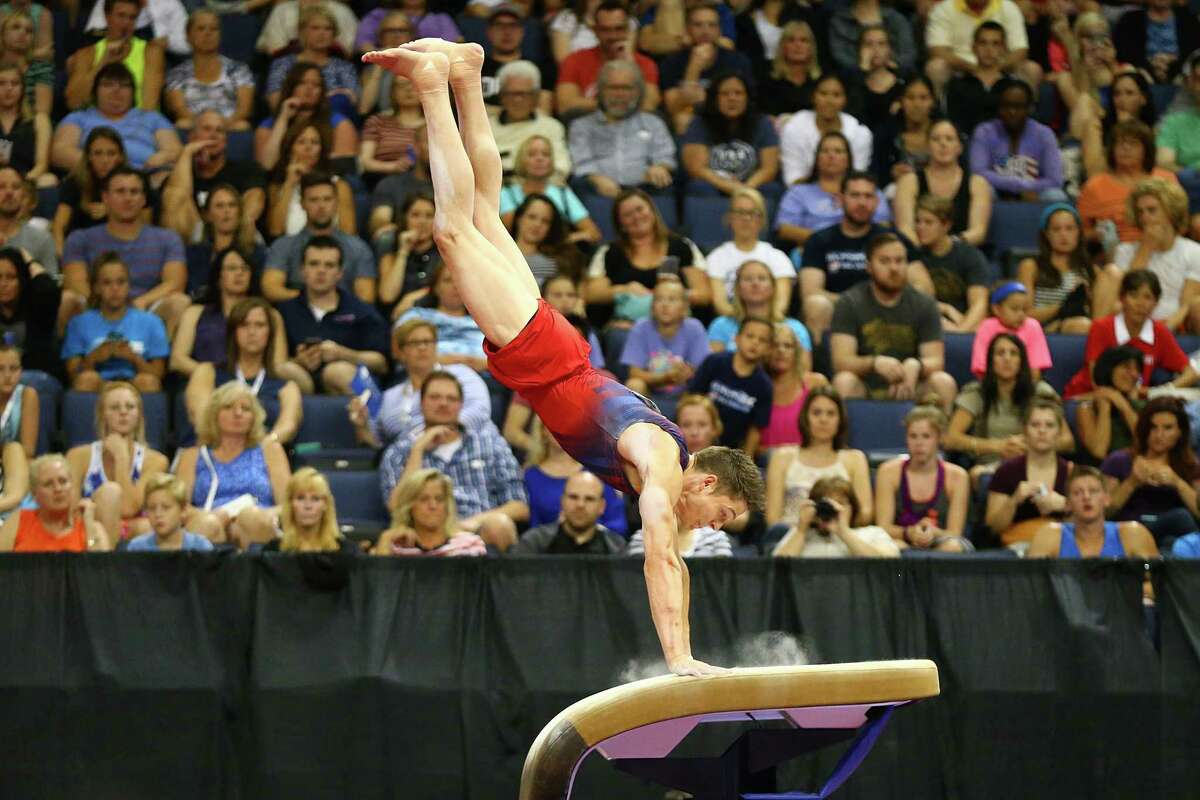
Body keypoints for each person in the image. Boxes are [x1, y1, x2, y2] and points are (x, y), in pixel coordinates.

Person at [365, 39, 765, 675]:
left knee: (482, 214)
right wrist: (681, 658)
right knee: (453, 229)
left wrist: (690, 653)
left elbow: (678, 561)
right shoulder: (663, 469)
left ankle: (468, 77)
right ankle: (434, 83)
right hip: (544, 352)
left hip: (556, 351)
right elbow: (661, 559)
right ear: (707, 482)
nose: (715, 526)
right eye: (722, 516)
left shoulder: (666, 466)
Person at [379, 370, 528, 550]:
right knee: (391, 538)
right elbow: (396, 507)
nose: (443, 403)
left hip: (477, 530)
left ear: (461, 405)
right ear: (422, 403)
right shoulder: (400, 450)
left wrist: (471, 522)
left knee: (500, 525)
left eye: (451, 399)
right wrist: (418, 449)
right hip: (421, 535)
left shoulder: (490, 443)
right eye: (435, 397)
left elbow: (520, 506)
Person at [830, 233, 956, 410]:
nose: (894, 268)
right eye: (885, 261)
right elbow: (841, 361)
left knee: (943, 382)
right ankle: (843, 439)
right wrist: (874, 363)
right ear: (869, 267)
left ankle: (944, 438)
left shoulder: (924, 303)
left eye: (899, 261)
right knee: (843, 381)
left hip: (911, 386)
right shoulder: (849, 302)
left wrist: (916, 366)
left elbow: (936, 360)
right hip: (866, 386)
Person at [61, 166, 189, 336]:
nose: (128, 198)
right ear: (105, 197)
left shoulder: (168, 239)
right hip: (95, 308)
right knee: (67, 299)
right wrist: (108, 304)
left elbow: (175, 282)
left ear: (144, 199)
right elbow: (75, 282)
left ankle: (161, 360)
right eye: (120, 192)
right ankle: (73, 360)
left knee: (179, 302)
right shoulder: (80, 238)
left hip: (146, 309)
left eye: (134, 192)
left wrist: (139, 303)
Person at [174, 381, 291, 546]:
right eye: (229, 407)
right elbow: (179, 507)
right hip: (210, 521)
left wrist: (245, 515)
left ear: (254, 417)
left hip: (257, 522)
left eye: (246, 409)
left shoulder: (270, 450)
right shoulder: (192, 455)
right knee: (207, 525)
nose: (238, 413)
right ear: (214, 414)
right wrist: (218, 517)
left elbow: (287, 505)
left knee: (250, 518)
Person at [798, 171, 908, 344]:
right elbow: (810, 292)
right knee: (815, 304)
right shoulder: (819, 240)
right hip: (839, 311)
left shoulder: (894, 239)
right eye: (855, 195)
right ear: (840, 199)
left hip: (887, 309)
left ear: (877, 202)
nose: (862, 203)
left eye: (868, 196)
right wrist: (859, 304)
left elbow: (922, 285)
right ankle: (818, 368)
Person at [348, 317, 492, 449]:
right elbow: (380, 443)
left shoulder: (462, 375)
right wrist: (362, 426)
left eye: (428, 342)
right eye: (415, 343)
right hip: (409, 462)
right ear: (400, 352)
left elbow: (479, 411)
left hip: (467, 450)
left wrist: (436, 435)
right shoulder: (390, 397)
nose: (422, 347)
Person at [946, 332, 1068, 485]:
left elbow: (1067, 440)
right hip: (991, 465)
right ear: (991, 360)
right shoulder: (977, 393)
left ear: (1022, 361)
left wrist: (1033, 446)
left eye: (1013, 353)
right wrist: (998, 446)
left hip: (1036, 463)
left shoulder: (1040, 392)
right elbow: (950, 438)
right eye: (1000, 353)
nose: (1007, 358)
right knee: (979, 475)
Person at [276, 236, 389, 395]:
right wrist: (299, 361)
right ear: (302, 270)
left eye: (329, 265)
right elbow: (274, 362)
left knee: (337, 371)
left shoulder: (361, 311)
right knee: (288, 369)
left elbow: (381, 363)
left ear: (339, 273)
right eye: (314, 264)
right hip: (301, 385)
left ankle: (376, 417)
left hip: (346, 383)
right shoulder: (284, 311)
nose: (321, 271)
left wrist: (343, 354)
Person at [184, 297, 303, 446]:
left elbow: (288, 426)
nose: (252, 332)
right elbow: (201, 417)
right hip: (210, 453)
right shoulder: (207, 372)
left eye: (259, 325)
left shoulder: (286, 387)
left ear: (270, 334)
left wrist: (261, 447)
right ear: (233, 332)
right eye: (244, 325)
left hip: (263, 458)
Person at [1064, 271, 1197, 399]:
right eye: (1134, 295)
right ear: (1122, 298)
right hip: (1087, 397)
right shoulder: (1102, 327)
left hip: (1132, 401)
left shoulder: (1159, 332)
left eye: (1147, 297)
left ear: (1156, 303)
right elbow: (1096, 380)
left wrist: (1161, 391)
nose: (1140, 303)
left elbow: (1191, 373)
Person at [65, 381, 168, 543]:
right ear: (103, 414)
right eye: (114, 408)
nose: (123, 412)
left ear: (139, 415)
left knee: (145, 527)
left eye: (130, 407)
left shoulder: (155, 461)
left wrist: (121, 458)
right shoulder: (79, 456)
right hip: (89, 530)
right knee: (110, 493)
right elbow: (71, 512)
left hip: (133, 532)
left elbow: (127, 508)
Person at [585, 189, 709, 323]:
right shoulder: (609, 252)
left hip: (675, 323)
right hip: (627, 325)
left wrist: (671, 295)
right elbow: (592, 294)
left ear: (652, 211)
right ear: (620, 225)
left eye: (640, 209)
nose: (637, 217)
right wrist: (624, 289)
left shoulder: (682, 246)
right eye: (628, 214)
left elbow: (704, 294)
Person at [764, 386, 874, 532]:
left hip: (841, 536)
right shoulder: (782, 457)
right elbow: (772, 518)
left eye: (831, 413)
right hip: (791, 538)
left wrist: (837, 525)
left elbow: (865, 514)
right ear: (805, 417)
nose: (823, 419)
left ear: (840, 420)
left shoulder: (855, 459)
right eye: (816, 413)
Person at [61, 253, 169, 393]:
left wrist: (134, 358)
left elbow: (158, 375)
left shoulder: (152, 322)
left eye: (121, 282)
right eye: (107, 283)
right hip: (98, 385)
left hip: (134, 385)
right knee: (86, 380)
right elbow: (72, 375)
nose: (115, 289)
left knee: (147, 382)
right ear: (96, 288)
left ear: (128, 286)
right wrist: (94, 358)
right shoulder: (79, 323)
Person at [568, 61, 676, 199]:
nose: (619, 94)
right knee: (580, 184)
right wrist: (596, 178)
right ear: (600, 90)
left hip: (645, 190)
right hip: (597, 190)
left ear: (638, 91)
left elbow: (665, 156)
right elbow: (581, 162)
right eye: (613, 88)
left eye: (626, 88)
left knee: (666, 183)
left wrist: (661, 167)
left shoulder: (654, 123)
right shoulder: (581, 126)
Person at [262, 173, 375, 304]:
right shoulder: (283, 246)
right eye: (314, 200)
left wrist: (332, 303)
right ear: (302, 204)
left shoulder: (358, 248)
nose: (321, 206)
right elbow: (271, 288)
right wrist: (314, 299)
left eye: (327, 199)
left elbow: (366, 297)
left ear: (336, 203)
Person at [1101, 397, 1200, 546]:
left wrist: (1178, 483)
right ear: (1144, 429)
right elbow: (1105, 511)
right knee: (1181, 518)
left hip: (1171, 536)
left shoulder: (1190, 465)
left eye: (1167, 428)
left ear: (1180, 432)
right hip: (1130, 532)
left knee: (1173, 537)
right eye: (1153, 427)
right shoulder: (1119, 460)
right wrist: (1132, 483)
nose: (1159, 435)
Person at [874, 401, 971, 552]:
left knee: (952, 547)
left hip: (942, 541)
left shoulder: (958, 476)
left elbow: (954, 532)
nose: (919, 443)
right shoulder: (888, 472)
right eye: (913, 436)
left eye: (926, 436)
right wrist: (909, 532)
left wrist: (933, 532)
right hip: (903, 540)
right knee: (894, 548)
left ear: (939, 438)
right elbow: (883, 527)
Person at [52, 63, 180, 176]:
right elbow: (60, 152)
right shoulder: (78, 118)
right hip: (94, 177)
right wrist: (103, 164)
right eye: (108, 85)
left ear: (133, 92)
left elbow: (174, 150)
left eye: (124, 85)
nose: (116, 90)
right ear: (95, 91)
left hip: (146, 176)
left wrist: (159, 158)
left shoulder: (152, 117)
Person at [159, 112, 266, 246]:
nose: (213, 135)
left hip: (237, 239)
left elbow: (253, 204)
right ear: (192, 137)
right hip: (194, 244)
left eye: (219, 131)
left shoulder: (247, 170)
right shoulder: (179, 176)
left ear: (225, 141)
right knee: (173, 196)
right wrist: (187, 152)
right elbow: (174, 201)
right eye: (206, 129)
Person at [775, 132, 891, 252]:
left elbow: (883, 225)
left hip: (865, 250)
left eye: (838, 151)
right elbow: (784, 229)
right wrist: (827, 241)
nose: (831, 156)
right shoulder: (798, 192)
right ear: (817, 158)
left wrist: (852, 241)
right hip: (814, 249)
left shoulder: (868, 190)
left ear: (848, 159)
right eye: (825, 151)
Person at [1019, 203, 1120, 336]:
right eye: (1056, 229)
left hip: (1086, 322)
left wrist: (1090, 302)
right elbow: (1024, 314)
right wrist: (1063, 307)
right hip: (1047, 327)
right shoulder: (1031, 266)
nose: (1063, 235)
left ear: (1078, 232)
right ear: (1046, 234)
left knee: (1113, 272)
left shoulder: (1091, 270)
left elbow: (1112, 307)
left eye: (1069, 228)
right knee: (1083, 325)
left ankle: (1097, 337)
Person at [1113, 178, 1200, 332]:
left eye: (1151, 210)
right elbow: (1124, 295)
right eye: (1140, 212)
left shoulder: (1194, 251)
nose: (1144, 217)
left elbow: (1187, 303)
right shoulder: (1125, 251)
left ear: (1171, 212)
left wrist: (1163, 331)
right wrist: (1145, 249)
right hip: (1131, 323)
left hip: (1175, 325)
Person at [985, 398, 1073, 546]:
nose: (1042, 431)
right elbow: (993, 528)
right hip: (1017, 547)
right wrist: (1013, 501)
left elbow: (1087, 527)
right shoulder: (1006, 471)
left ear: (1058, 432)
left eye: (1050, 425)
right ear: (1025, 430)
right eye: (1035, 425)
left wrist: (1065, 505)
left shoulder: (1071, 472)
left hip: (1060, 547)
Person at [1078, 120, 1178, 247]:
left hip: (1164, 248)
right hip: (1116, 254)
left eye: (1133, 143)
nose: (1125, 148)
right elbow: (1079, 233)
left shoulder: (1166, 179)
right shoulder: (1094, 186)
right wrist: (1098, 234)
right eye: (1120, 143)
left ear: (1146, 150)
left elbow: (1181, 223)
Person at [893, 119, 991, 248]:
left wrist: (946, 247)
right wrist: (926, 248)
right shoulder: (909, 181)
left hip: (961, 251)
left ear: (960, 147)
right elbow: (905, 229)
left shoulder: (977, 183)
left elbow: (978, 232)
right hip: (919, 250)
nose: (943, 144)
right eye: (936, 139)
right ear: (927, 146)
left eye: (949, 139)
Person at [680, 71, 778, 198]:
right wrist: (730, 187)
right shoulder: (699, 123)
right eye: (725, 94)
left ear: (747, 98)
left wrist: (746, 189)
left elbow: (769, 169)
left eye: (738, 93)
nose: (732, 98)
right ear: (715, 98)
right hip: (714, 185)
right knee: (699, 187)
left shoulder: (763, 123)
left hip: (750, 185)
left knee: (771, 189)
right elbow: (697, 169)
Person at [660, 4, 755, 135]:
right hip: (693, 118)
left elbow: (745, 102)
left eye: (712, 25)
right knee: (682, 119)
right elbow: (673, 108)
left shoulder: (737, 61)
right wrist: (693, 68)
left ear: (720, 30)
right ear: (687, 29)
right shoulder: (672, 62)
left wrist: (705, 96)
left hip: (729, 117)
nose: (705, 31)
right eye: (698, 25)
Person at [522, 416, 627, 535]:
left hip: (600, 549)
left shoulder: (599, 469)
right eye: (554, 423)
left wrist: (588, 532)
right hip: (551, 549)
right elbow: (533, 529)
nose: (561, 429)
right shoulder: (530, 476)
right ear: (542, 430)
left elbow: (618, 524)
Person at [1027, 465, 1158, 558]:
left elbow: (1156, 583)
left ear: (1106, 499)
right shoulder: (1050, 536)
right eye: (1078, 493)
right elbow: (1032, 588)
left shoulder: (1133, 534)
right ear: (1067, 504)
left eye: (1093, 491)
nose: (1086, 497)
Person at [556, 1, 660, 116]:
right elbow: (565, 105)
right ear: (595, 31)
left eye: (619, 29)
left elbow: (649, 105)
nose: (613, 36)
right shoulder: (574, 61)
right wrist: (615, 105)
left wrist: (631, 67)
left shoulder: (644, 64)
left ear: (628, 30)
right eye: (605, 30)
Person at [687, 316, 773, 453]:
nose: (755, 343)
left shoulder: (764, 386)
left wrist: (747, 461)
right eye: (750, 336)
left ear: (768, 349)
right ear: (737, 338)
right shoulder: (714, 362)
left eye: (762, 340)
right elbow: (689, 399)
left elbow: (755, 430)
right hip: (694, 441)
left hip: (730, 452)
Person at [254, 62, 358, 174]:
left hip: (324, 181)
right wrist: (283, 118)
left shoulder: (340, 124)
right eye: (302, 83)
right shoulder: (268, 126)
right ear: (291, 87)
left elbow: (343, 167)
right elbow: (267, 165)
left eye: (316, 85)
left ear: (322, 92)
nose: (309, 88)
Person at [970, 79, 1064, 202]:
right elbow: (978, 172)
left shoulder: (1044, 134)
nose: (1012, 112)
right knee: (983, 190)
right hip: (997, 191)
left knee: (1055, 195)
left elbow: (1054, 180)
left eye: (1018, 107)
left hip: (1033, 193)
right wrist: (1017, 186)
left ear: (1029, 108)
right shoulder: (984, 131)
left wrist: (1029, 188)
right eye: (1006, 106)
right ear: (999, 107)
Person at [907, 194, 991, 333]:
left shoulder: (970, 256)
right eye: (918, 221)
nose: (920, 227)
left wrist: (960, 332)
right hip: (926, 325)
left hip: (962, 323)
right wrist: (944, 308)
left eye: (928, 222)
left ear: (946, 225)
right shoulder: (912, 256)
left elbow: (979, 304)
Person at [497, 134, 600, 245]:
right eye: (532, 154)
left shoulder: (563, 194)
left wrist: (563, 243)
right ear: (521, 160)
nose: (540, 158)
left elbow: (593, 233)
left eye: (545, 154)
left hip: (554, 257)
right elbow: (508, 233)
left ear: (551, 162)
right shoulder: (506, 194)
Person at [64, 0, 165, 112]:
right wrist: (104, 62)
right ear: (107, 16)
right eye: (121, 16)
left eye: (132, 18)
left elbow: (149, 105)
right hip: (96, 124)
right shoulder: (86, 54)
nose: (126, 23)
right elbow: (73, 102)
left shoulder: (151, 52)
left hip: (138, 123)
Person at [162, 9, 254, 131]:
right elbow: (180, 110)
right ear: (188, 36)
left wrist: (219, 127)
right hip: (194, 127)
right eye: (201, 29)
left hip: (228, 126)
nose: (207, 33)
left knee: (242, 125)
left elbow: (244, 109)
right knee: (182, 124)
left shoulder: (238, 69)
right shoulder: (177, 74)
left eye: (213, 29)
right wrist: (205, 127)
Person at [621, 277, 709, 403]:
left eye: (672, 299)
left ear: (685, 306)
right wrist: (664, 377)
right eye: (659, 299)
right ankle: (641, 420)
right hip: (650, 393)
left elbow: (703, 370)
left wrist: (686, 373)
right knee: (634, 384)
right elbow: (634, 373)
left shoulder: (694, 328)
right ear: (652, 306)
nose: (665, 305)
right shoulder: (641, 327)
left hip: (685, 394)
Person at [709, 187, 794, 317]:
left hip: (770, 323)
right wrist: (746, 323)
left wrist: (761, 325)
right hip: (731, 321)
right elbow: (720, 304)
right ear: (730, 217)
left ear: (762, 220)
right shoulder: (716, 257)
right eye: (740, 212)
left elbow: (780, 305)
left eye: (752, 213)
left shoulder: (777, 257)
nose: (746, 218)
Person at [925, 0, 1036, 98]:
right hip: (958, 70)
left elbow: (1021, 51)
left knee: (1031, 69)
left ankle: (1027, 117)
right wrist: (974, 68)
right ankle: (940, 116)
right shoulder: (943, 9)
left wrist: (994, 69)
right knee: (936, 67)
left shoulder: (1008, 7)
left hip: (1001, 69)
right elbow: (937, 51)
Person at [265, 6, 360, 119]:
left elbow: (354, 100)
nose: (322, 34)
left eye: (328, 29)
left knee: (339, 100)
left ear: (334, 34)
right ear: (302, 32)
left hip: (334, 124)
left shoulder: (343, 66)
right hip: (292, 120)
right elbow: (275, 102)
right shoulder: (283, 64)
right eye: (315, 28)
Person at [0, 453, 107, 551]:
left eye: (63, 481)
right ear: (34, 494)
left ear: (73, 487)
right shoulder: (19, 522)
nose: (58, 489)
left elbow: (99, 566)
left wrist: (89, 525)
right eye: (48, 484)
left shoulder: (92, 529)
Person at [771, 475, 899, 558]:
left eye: (841, 503)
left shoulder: (873, 534)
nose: (833, 509)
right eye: (826, 503)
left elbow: (886, 566)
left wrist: (843, 532)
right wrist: (801, 530)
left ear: (853, 508)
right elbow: (778, 568)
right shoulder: (799, 535)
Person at [779, 74, 872, 186]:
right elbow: (793, 178)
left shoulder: (860, 133)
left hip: (847, 195)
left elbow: (857, 177)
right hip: (804, 192)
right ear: (813, 96)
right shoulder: (794, 128)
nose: (829, 101)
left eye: (836, 95)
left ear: (845, 100)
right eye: (823, 94)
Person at [52, 127, 132, 256]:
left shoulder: (132, 183)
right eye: (98, 153)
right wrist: (62, 255)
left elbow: (144, 225)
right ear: (89, 156)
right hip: (80, 251)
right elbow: (59, 226)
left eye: (111, 153)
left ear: (120, 157)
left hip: (121, 251)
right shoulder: (74, 182)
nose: (104, 160)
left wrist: (112, 210)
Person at [373, 467, 487, 557]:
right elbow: (378, 585)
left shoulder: (469, 545)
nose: (433, 505)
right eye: (423, 499)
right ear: (410, 506)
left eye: (439, 499)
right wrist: (385, 539)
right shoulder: (394, 547)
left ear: (448, 506)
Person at [706, 259, 811, 355]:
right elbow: (712, 368)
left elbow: (803, 371)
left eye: (762, 279)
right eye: (748, 279)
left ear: (773, 287)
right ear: (737, 288)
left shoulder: (795, 328)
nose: (755, 283)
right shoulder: (721, 325)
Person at [395, 263, 488, 369]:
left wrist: (485, 365)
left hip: (485, 378)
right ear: (435, 288)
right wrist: (438, 361)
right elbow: (397, 353)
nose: (455, 286)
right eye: (448, 280)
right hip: (427, 374)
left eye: (460, 280)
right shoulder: (415, 316)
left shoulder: (486, 322)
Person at [512, 470, 626, 555]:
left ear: (602, 506)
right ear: (562, 501)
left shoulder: (616, 548)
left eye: (589, 499)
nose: (580, 505)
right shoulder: (534, 543)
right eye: (573, 497)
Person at [490, 60, 571, 179]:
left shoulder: (552, 127)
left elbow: (562, 167)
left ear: (536, 97)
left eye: (524, 94)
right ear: (501, 96)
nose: (518, 100)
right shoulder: (485, 128)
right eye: (512, 94)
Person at [0, 248, 60, 406]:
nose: (3, 284)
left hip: (38, 379)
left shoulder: (38, 306)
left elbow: (49, 288)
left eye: (11, 277)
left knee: (25, 383)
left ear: (22, 279)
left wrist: (30, 261)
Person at [1079, 69, 1158, 183]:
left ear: (1143, 99)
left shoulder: (1152, 129)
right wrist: (1121, 130)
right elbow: (1093, 172)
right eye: (1117, 94)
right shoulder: (1095, 126)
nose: (1121, 100)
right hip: (1105, 185)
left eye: (1129, 93)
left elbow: (1151, 167)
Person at [760, 322, 826, 451]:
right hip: (764, 463)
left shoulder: (816, 384)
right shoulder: (755, 386)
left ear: (796, 352)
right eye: (775, 345)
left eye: (788, 346)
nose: (781, 350)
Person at [942, 21, 1014, 138]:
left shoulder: (1013, 86)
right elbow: (953, 123)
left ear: (1003, 49)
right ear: (974, 47)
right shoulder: (958, 84)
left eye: (995, 44)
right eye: (983, 43)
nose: (988, 49)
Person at [866, 71, 937, 189]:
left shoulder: (945, 132)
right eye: (910, 98)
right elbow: (874, 176)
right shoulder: (885, 133)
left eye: (923, 98)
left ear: (932, 102)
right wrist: (890, 174)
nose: (917, 104)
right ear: (901, 102)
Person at [1074, 345, 1145, 463]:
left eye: (1137, 369)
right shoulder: (1087, 409)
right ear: (1109, 369)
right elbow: (1099, 452)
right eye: (1126, 367)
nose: (1134, 374)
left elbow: (1147, 444)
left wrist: (1124, 407)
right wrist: (1104, 407)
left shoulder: (1142, 406)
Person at [969, 281, 1052, 381]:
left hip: (1027, 386)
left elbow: (1035, 371)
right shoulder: (987, 326)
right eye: (1015, 309)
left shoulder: (1032, 326)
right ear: (996, 309)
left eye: (1024, 309)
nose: (1021, 314)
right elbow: (982, 371)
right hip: (992, 386)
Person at [480, 5, 555, 111]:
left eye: (513, 25)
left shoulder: (540, 68)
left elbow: (543, 111)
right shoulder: (476, 68)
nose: (507, 32)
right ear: (489, 32)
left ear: (522, 32)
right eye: (499, 26)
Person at [377, 192, 440, 315]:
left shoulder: (445, 250)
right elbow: (387, 295)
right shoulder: (390, 245)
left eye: (429, 216)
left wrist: (412, 298)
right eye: (415, 215)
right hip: (397, 318)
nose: (422, 222)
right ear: (405, 218)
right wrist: (403, 251)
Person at [265, 467, 356, 553]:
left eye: (315, 499)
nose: (308, 506)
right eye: (300, 498)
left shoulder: (345, 551)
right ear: (290, 504)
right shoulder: (273, 552)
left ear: (325, 505)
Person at [1113, 0, 1200, 85]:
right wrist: (1151, 64)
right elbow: (1123, 54)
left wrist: (1173, 63)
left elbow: (1195, 53)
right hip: (1141, 76)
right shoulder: (1129, 20)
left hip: (1182, 76)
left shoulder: (1189, 21)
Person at [509, 194, 587, 287]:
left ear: (551, 227)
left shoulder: (562, 262)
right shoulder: (499, 254)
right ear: (519, 218)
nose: (537, 224)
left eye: (545, 221)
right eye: (532, 217)